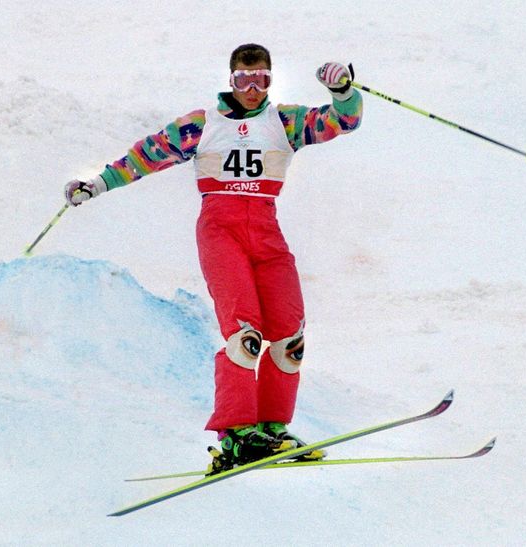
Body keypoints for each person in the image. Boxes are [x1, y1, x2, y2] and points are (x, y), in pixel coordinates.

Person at [65, 44, 362, 472]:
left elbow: (342, 121)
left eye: (262, 80)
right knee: (245, 333)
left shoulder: (284, 123)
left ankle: (272, 431)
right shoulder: (202, 126)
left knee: (289, 338)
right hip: (222, 231)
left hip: (265, 231)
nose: (253, 89)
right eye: (245, 80)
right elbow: (147, 155)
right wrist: (96, 184)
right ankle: (238, 435)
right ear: (231, 80)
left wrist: (342, 90)